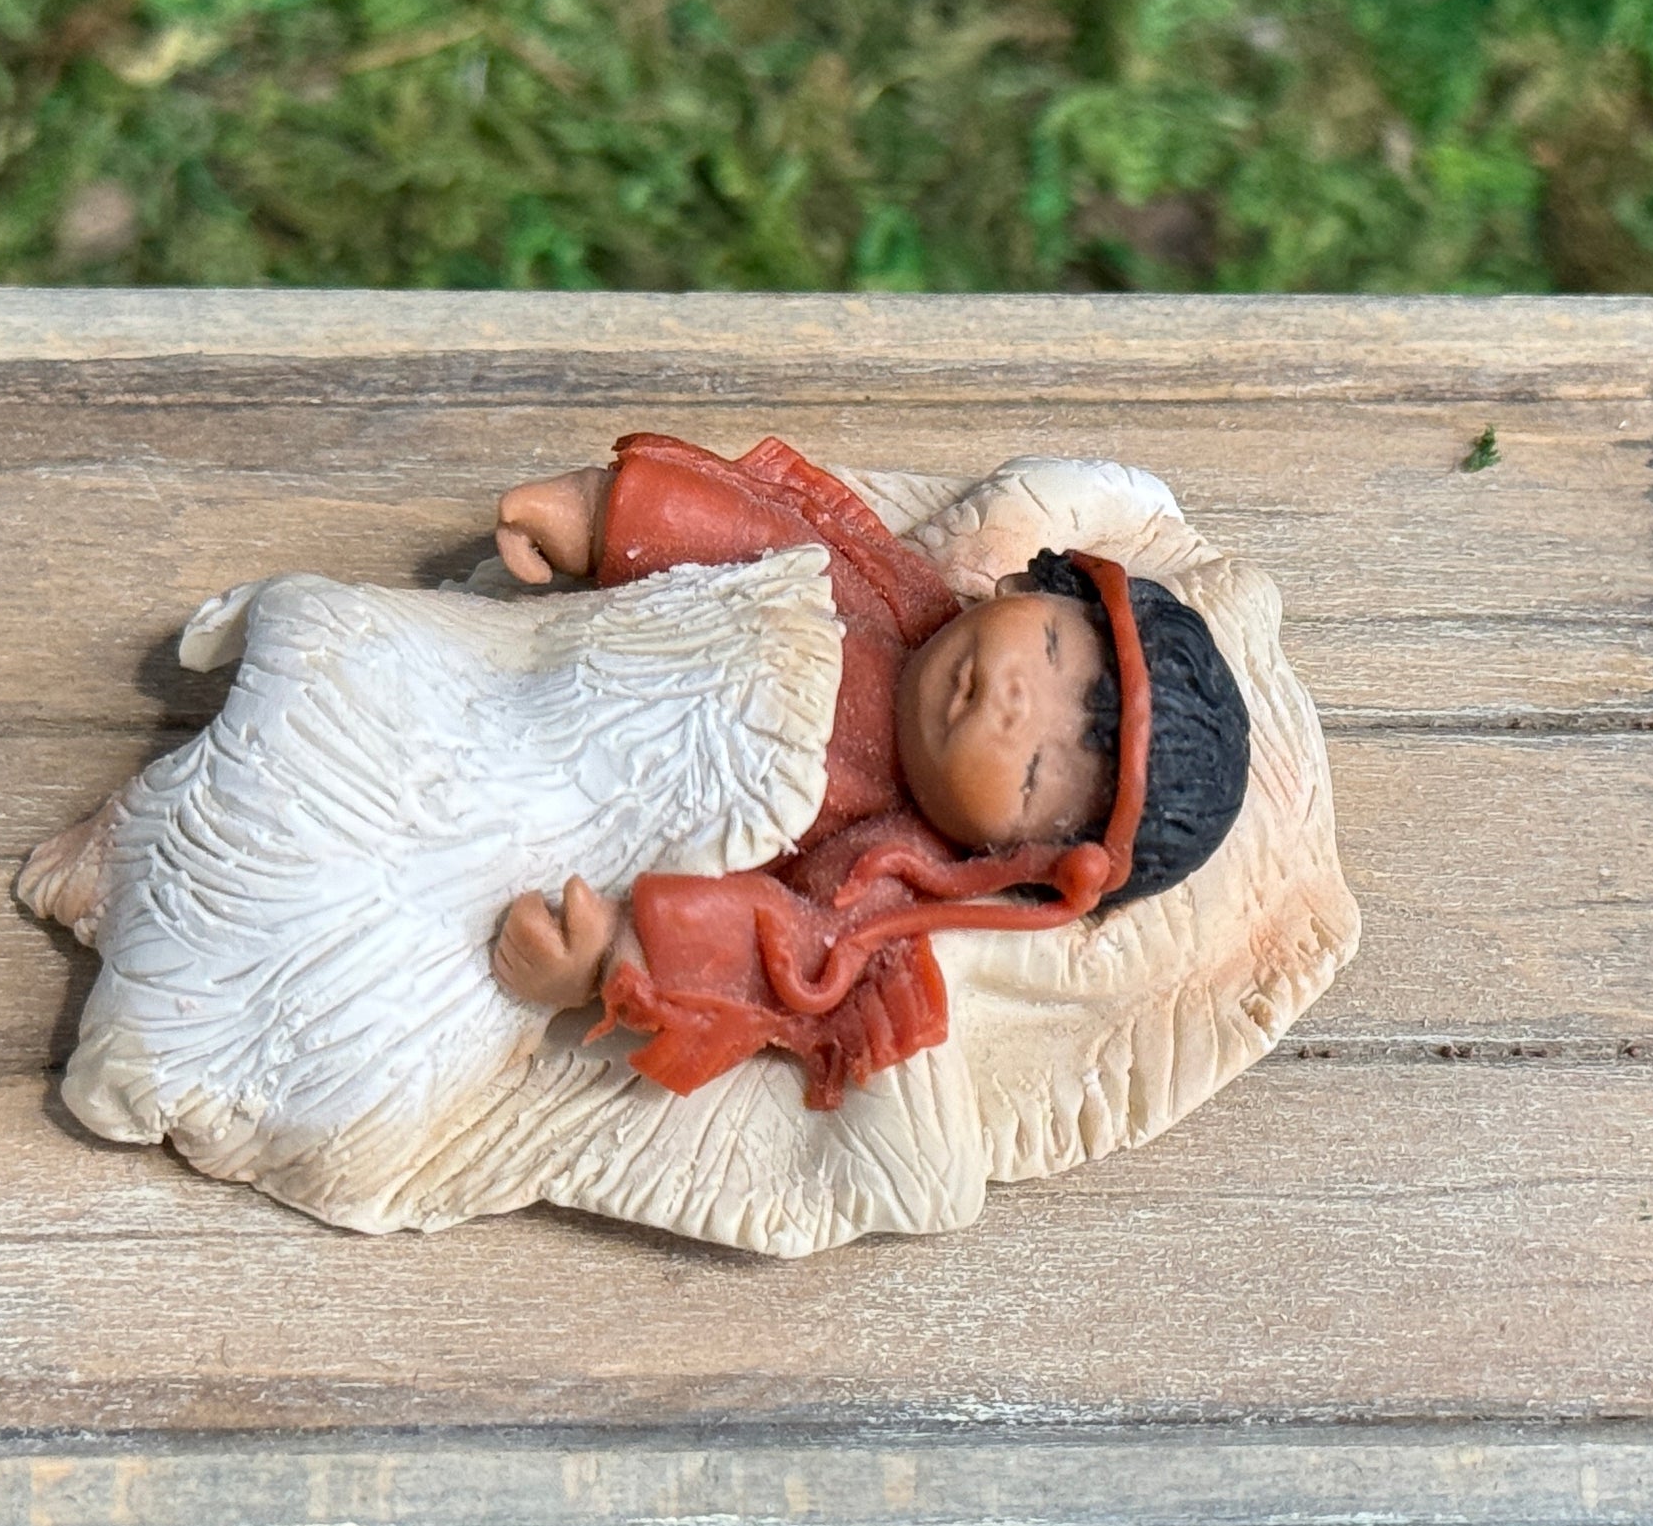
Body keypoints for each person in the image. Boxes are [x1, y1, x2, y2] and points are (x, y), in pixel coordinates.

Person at [477, 435, 1252, 1106]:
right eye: (1049, 649)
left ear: (1014, 861)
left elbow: (781, 949)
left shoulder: (884, 865)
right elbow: (753, 529)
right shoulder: (885, 593)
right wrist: (598, 514)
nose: (1012, 704)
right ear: (1037, 588)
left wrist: (606, 958)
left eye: (1033, 772)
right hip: (532, 663)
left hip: (548, 805)